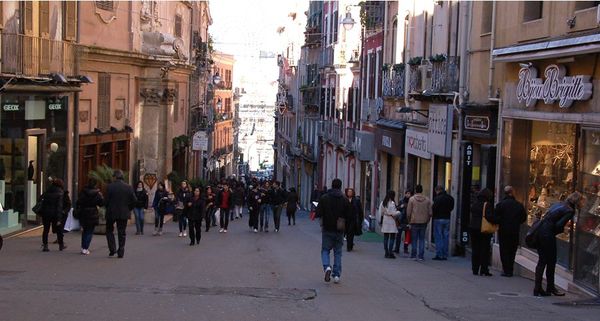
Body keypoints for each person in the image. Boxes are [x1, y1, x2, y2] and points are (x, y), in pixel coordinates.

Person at [533, 192, 585, 297]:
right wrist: (562, 230)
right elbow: (559, 225)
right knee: (550, 261)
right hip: (548, 234)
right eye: (582, 201)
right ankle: (549, 287)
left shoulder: (560, 203)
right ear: (578, 201)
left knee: (542, 260)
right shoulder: (570, 210)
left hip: (541, 231)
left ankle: (538, 288)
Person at [315, 178, 350, 284]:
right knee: (338, 252)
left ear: (332, 185)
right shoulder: (344, 199)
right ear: (340, 186)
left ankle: (327, 267)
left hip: (327, 228)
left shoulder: (325, 197)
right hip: (339, 229)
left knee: (325, 250)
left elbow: (319, 212)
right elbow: (348, 214)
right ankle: (336, 275)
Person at [494, 186, 527, 277]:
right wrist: (516, 222)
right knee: (512, 250)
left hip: (504, 230)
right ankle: (510, 269)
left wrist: (501, 221)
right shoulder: (519, 205)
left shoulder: (501, 204)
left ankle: (506, 269)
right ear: (512, 193)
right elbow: (523, 218)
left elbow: (495, 217)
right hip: (514, 230)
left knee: (504, 249)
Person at [105, 170, 137, 258]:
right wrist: (128, 208)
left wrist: (107, 207)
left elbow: (106, 201)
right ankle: (121, 250)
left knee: (109, 230)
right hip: (124, 212)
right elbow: (134, 201)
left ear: (115, 177)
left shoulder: (110, 187)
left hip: (111, 212)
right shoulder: (128, 187)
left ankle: (112, 249)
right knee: (122, 232)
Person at [469, 188, 494, 276]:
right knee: (484, 249)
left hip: (473, 227)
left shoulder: (475, 204)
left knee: (475, 249)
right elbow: (489, 217)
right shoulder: (487, 205)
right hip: (483, 229)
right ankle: (484, 269)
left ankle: (475, 269)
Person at [76, 178, 104, 255]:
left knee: (85, 230)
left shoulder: (83, 191)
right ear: (95, 184)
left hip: (84, 212)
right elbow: (101, 203)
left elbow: (78, 201)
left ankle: (83, 247)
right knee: (90, 231)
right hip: (93, 213)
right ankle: (85, 248)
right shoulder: (98, 193)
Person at [40, 179, 67, 252]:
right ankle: (61, 245)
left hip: (46, 213)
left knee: (46, 230)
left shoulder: (47, 191)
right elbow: (59, 206)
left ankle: (45, 246)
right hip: (55, 214)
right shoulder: (60, 193)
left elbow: (41, 199)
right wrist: (59, 218)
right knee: (59, 230)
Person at [407, 185, 432, 261]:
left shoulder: (411, 199)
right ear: (422, 190)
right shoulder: (427, 200)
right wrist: (427, 220)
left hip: (414, 221)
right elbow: (430, 212)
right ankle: (421, 255)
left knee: (414, 239)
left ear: (415, 190)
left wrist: (409, 220)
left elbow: (408, 212)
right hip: (423, 221)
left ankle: (413, 255)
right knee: (422, 239)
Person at [432, 186, 455, 261]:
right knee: (446, 236)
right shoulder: (450, 198)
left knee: (439, 237)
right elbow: (452, 208)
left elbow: (434, 208)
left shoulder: (437, 198)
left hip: (438, 218)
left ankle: (439, 254)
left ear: (437, 191)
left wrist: (434, 215)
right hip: (447, 218)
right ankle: (445, 254)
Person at [380, 190, 401, 259]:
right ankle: (390, 252)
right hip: (391, 220)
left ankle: (386, 252)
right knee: (392, 237)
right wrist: (398, 212)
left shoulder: (383, 202)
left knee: (386, 237)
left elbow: (381, 212)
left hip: (385, 219)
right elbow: (394, 213)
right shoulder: (392, 203)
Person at [394, 190, 413, 256]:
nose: (408, 195)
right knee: (398, 235)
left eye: (409, 193)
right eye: (407, 193)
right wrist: (401, 207)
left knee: (407, 236)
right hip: (401, 220)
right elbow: (397, 208)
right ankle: (397, 248)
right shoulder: (401, 201)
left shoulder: (412, 201)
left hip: (408, 221)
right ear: (405, 194)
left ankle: (405, 248)